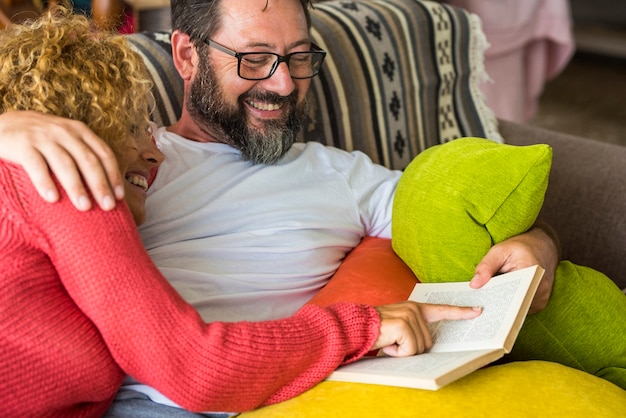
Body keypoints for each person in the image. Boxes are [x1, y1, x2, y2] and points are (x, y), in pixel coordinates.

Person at [2, 0, 623, 413]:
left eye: (299, 58)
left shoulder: (341, 174)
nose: (280, 83)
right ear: (187, 57)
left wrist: (541, 241)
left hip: (295, 389)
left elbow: (458, 214)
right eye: (253, 59)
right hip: (155, 394)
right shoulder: (116, 157)